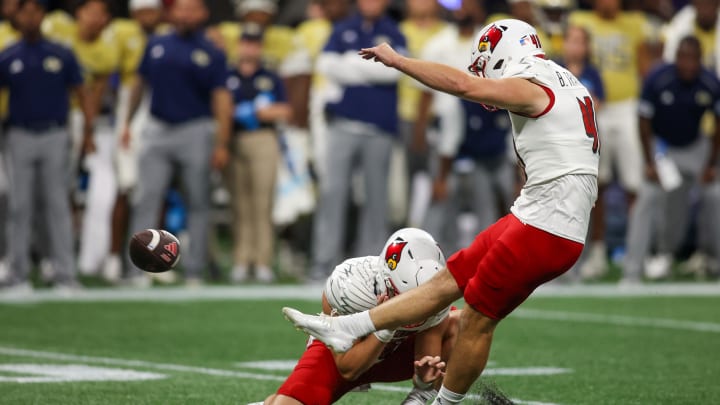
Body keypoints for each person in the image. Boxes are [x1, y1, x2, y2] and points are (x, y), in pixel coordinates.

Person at [284, 18, 599, 404]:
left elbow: (464, 86)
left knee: (474, 319)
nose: (483, 70)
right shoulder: (563, 78)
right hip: (538, 213)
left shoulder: (532, 84)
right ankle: (350, 327)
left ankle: (441, 403)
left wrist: (399, 62)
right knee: (447, 281)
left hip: (547, 225)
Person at [267, 228, 457, 405]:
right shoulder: (350, 285)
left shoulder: (438, 293)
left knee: (462, 323)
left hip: (398, 350)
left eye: (420, 298)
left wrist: (423, 383)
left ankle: (418, 400)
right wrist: (387, 324)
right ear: (385, 281)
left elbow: (427, 356)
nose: (414, 308)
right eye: (404, 296)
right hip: (350, 351)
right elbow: (348, 368)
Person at [122, 0, 233, 285]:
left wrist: (222, 143)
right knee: (146, 199)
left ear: (203, 13)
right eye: (180, 8)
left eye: (191, 8)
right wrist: (126, 122)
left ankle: (194, 271)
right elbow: (139, 83)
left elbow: (222, 99)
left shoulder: (212, 52)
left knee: (198, 202)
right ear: (171, 12)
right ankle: (138, 270)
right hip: (157, 128)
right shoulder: (157, 44)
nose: (184, 14)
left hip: (195, 130)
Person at [0, 0, 95, 292]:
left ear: (42, 15)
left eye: (35, 12)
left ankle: (65, 273)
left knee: (57, 204)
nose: (30, 18)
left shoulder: (61, 53)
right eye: (24, 12)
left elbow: (82, 91)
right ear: (18, 17)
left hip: (55, 134)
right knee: (19, 205)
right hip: (19, 135)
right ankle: (18, 273)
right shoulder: (8, 55)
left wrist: (88, 131)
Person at [308, 0, 406, 281]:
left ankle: (371, 270)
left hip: (380, 129)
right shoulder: (343, 29)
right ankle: (323, 263)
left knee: (377, 200)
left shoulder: (394, 33)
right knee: (332, 194)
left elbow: (395, 70)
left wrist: (349, 63)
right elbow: (326, 66)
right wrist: (372, 68)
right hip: (343, 125)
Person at [622, 36, 720, 283]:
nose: (688, 65)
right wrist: (649, 161)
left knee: (715, 195)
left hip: (696, 145)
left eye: (693, 59)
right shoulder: (658, 78)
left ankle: (714, 262)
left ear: (700, 60)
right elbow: (643, 120)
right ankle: (632, 272)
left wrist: (711, 165)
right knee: (647, 197)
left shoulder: (710, 82)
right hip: (661, 146)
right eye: (683, 58)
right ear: (676, 58)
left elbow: (719, 125)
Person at [569, 0, 653, 280]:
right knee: (597, 185)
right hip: (593, 109)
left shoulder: (634, 22)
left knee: (634, 184)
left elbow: (644, 67)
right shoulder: (581, 19)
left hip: (627, 106)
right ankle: (598, 251)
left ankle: (639, 251)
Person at [227, 24, 292, 283]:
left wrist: (259, 112)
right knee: (239, 202)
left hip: (263, 138)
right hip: (233, 138)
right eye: (246, 42)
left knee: (262, 202)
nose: (250, 47)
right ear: (240, 44)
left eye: (255, 43)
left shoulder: (269, 75)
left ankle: (262, 260)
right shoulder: (228, 74)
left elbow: (285, 110)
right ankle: (242, 259)